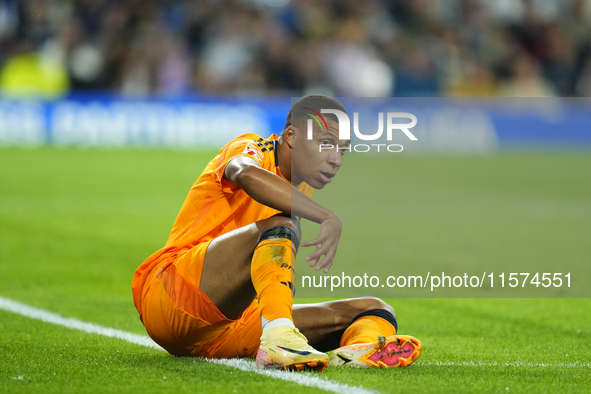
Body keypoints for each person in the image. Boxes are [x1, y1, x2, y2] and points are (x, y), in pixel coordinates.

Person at [131, 94, 422, 371]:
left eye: (342, 149)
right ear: (292, 137)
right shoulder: (251, 147)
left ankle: (356, 352)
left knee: (375, 309)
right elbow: (244, 173)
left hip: (229, 329)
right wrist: (325, 216)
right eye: (326, 143)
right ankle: (279, 337)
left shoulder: (303, 185)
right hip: (172, 297)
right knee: (282, 225)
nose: (337, 159)